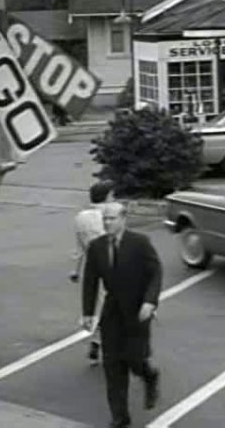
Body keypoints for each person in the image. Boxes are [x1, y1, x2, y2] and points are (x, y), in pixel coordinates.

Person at [82, 202, 162, 428]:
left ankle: (149, 376)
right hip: (112, 313)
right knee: (113, 365)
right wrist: (87, 312)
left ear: (124, 219)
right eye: (105, 219)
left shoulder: (139, 243)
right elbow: (90, 281)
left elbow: (156, 272)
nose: (107, 222)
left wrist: (150, 301)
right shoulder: (97, 247)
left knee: (135, 360)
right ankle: (120, 417)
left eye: (112, 218)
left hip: (138, 311)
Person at [72, 179, 114, 365]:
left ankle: (98, 340)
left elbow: (79, 246)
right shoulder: (107, 216)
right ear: (107, 197)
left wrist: (76, 270)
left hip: (92, 263)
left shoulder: (80, 217)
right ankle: (102, 341)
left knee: (103, 302)